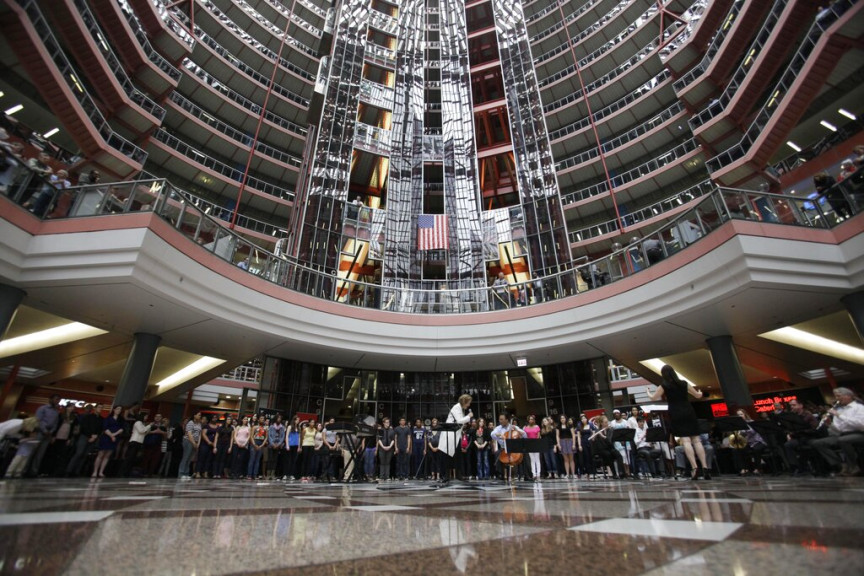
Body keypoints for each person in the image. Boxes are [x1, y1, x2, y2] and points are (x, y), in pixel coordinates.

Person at [649, 365, 710, 480]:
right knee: (696, 440)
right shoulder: (684, 383)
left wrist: (648, 392)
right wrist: (700, 392)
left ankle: (694, 468)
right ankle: (705, 467)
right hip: (688, 410)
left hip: (675, 412)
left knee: (686, 440)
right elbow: (697, 395)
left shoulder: (664, 385)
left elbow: (653, 398)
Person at [811, 387, 864, 476]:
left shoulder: (859, 407)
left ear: (848, 396)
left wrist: (840, 416)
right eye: (836, 396)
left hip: (859, 433)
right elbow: (839, 429)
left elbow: (860, 424)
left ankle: (854, 466)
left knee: (843, 440)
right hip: (842, 435)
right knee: (817, 443)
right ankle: (841, 465)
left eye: (839, 396)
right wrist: (829, 424)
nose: (837, 399)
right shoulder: (839, 409)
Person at [440, 395, 473, 480]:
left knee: (458, 455)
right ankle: (447, 476)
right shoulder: (457, 407)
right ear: (464, 401)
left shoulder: (460, 408)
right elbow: (459, 421)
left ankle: (458, 475)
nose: (469, 405)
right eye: (468, 403)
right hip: (450, 435)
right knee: (449, 456)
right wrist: (468, 416)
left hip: (456, 435)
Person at [66, 404, 102, 477]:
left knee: (85, 455)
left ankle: (77, 471)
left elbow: (100, 429)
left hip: (93, 438)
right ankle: (69, 470)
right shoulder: (88, 417)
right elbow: (84, 427)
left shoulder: (101, 419)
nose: (100, 409)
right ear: (95, 408)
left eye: (101, 408)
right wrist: (90, 435)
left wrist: (95, 436)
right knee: (79, 453)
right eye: (99, 407)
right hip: (84, 436)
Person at [29, 394, 60, 476]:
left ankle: (34, 471)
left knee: (40, 454)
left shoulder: (56, 411)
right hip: (39, 432)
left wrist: (51, 432)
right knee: (32, 452)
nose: (57, 401)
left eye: (58, 400)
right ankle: (24, 470)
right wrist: (44, 430)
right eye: (56, 399)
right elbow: (38, 420)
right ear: (50, 399)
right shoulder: (43, 408)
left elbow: (55, 423)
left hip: (48, 434)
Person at [490, 413, 525, 482]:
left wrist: (517, 430)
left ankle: (523, 474)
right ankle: (501, 474)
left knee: (524, 455)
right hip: (504, 448)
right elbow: (492, 434)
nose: (500, 421)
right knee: (497, 454)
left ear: (507, 420)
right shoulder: (498, 428)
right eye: (499, 419)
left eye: (502, 419)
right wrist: (500, 435)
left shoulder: (513, 427)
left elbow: (525, 435)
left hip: (515, 448)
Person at [94, 405, 124, 478]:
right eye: (117, 409)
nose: (119, 410)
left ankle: (101, 472)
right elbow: (105, 428)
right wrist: (111, 435)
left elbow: (122, 429)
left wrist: (115, 435)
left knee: (107, 456)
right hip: (106, 437)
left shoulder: (121, 420)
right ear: (114, 409)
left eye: (120, 409)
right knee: (101, 454)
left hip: (115, 438)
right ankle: (95, 471)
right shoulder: (108, 418)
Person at [178, 412, 202, 480]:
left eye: (200, 415)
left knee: (190, 459)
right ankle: (181, 473)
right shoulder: (190, 423)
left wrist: (198, 443)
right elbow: (189, 434)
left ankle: (186, 473)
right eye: (199, 415)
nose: (200, 416)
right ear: (194, 415)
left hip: (196, 442)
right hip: (188, 441)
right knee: (186, 457)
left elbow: (199, 434)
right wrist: (193, 443)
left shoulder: (199, 424)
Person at [555, 414, 577, 479]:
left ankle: (573, 474)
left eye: (563, 418)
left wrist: (573, 444)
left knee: (571, 459)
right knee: (565, 459)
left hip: (570, 441)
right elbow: (557, 436)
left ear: (566, 419)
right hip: (562, 442)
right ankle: (567, 474)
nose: (562, 419)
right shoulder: (558, 426)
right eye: (561, 418)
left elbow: (573, 435)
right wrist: (558, 444)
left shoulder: (570, 425)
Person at [523, 415, 541, 481]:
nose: (531, 420)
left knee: (537, 460)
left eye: (532, 419)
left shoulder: (537, 427)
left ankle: (538, 474)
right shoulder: (525, 427)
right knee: (532, 460)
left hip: (536, 444)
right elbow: (525, 436)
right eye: (530, 419)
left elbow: (538, 435)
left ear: (534, 420)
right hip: (529, 444)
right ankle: (534, 474)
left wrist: (536, 442)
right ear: (528, 420)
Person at [377, 417, 395, 482]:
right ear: (383, 423)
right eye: (386, 422)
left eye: (388, 422)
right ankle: (381, 476)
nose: (388, 423)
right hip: (382, 448)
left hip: (389, 448)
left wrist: (390, 446)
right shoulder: (381, 430)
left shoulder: (392, 431)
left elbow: (393, 440)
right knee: (382, 463)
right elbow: (379, 440)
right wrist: (383, 446)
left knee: (387, 462)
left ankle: (387, 476)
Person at [268, 415, 286, 480]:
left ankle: (273, 474)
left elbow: (282, 437)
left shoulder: (282, 427)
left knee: (275, 460)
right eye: (278, 418)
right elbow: (269, 436)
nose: (279, 419)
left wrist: (278, 444)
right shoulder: (271, 426)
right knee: (270, 459)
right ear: (276, 419)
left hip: (278, 445)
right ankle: (268, 474)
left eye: (280, 418)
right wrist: (273, 444)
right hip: (271, 445)